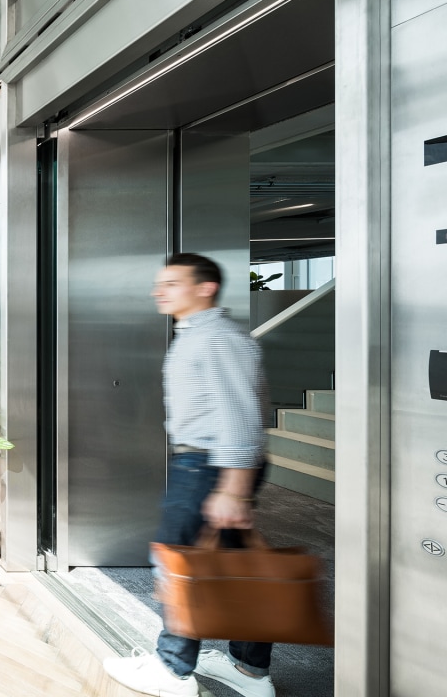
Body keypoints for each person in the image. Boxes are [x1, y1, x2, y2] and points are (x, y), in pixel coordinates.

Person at [103, 253, 274, 697]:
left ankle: (172, 670)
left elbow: (240, 416)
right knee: (236, 570)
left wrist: (233, 489)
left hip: (210, 465)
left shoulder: (216, 339)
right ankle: (248, 669)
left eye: (173, 283)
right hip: (209, 463)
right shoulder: (197, 335)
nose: (160, 291)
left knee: (180, 564)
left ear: (206, 288)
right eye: (161, 283)